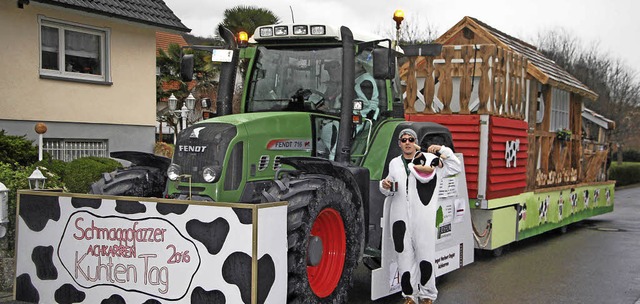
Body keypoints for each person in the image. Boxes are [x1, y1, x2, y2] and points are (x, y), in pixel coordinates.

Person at [379, 128, 462, 304]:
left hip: (423, 219)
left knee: (425, 256)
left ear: (415, 142)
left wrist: (441, 150)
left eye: (410, 139)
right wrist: (384, 185)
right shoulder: (394, 163)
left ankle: (427, 295)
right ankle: (409, 296)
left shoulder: (431, 161)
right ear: (399, 144)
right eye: (403, 140)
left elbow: (455, 166)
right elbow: (388, 186)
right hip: (400, 218)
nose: (407, 142)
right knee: (404, 258)